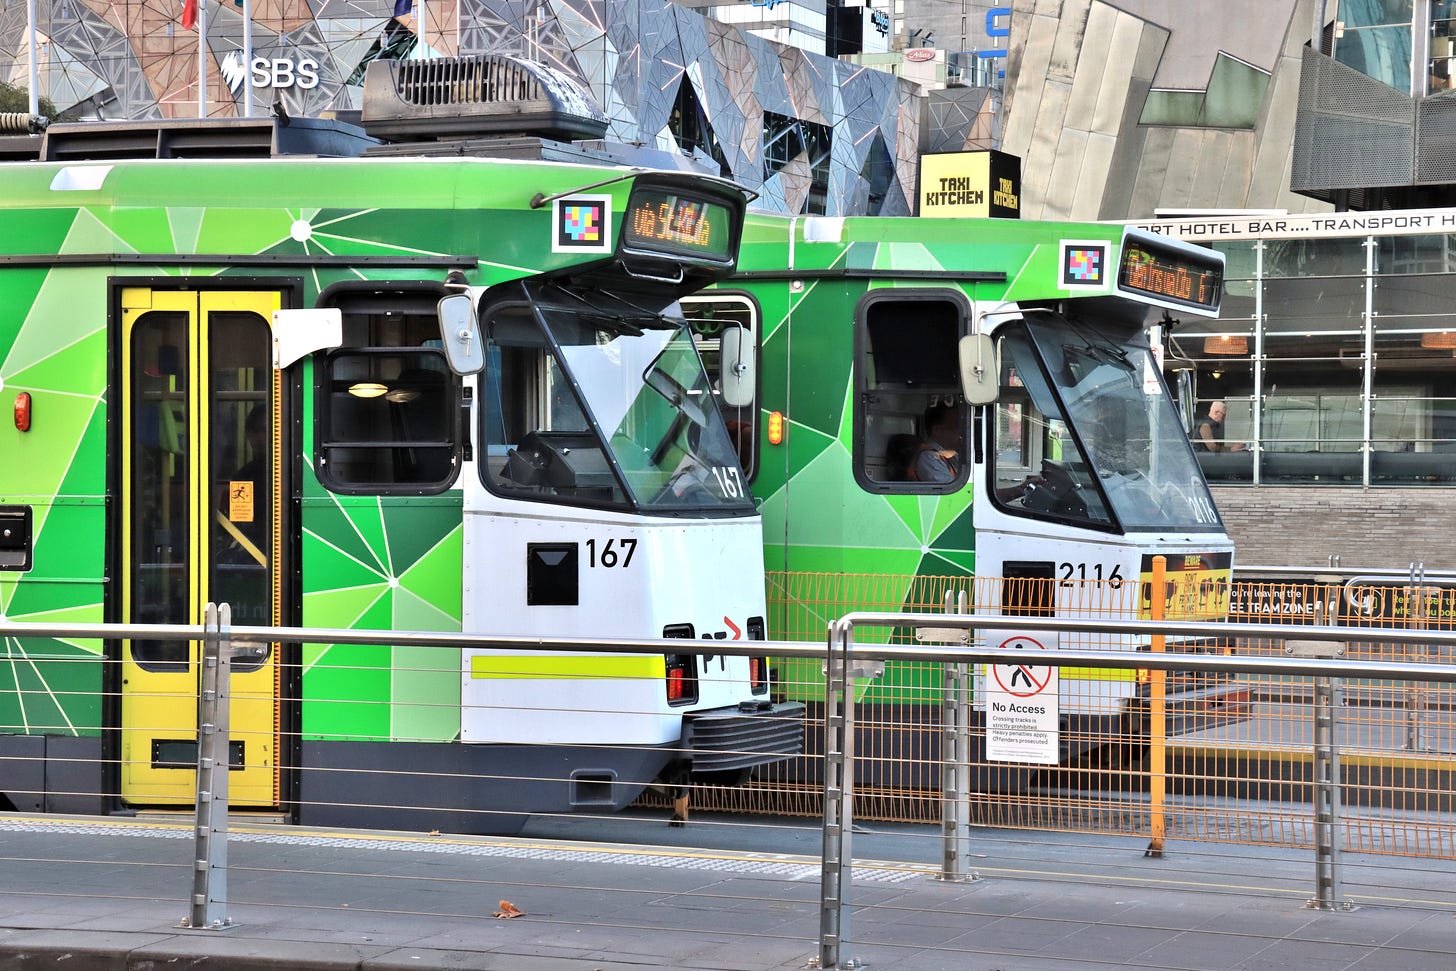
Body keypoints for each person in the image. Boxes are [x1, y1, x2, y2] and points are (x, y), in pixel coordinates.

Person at [911, 404, 962, 483]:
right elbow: (951, 489)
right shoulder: (929, 457)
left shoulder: (949, 454)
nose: (960, 432)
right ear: (937, 430)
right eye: (956, 426)